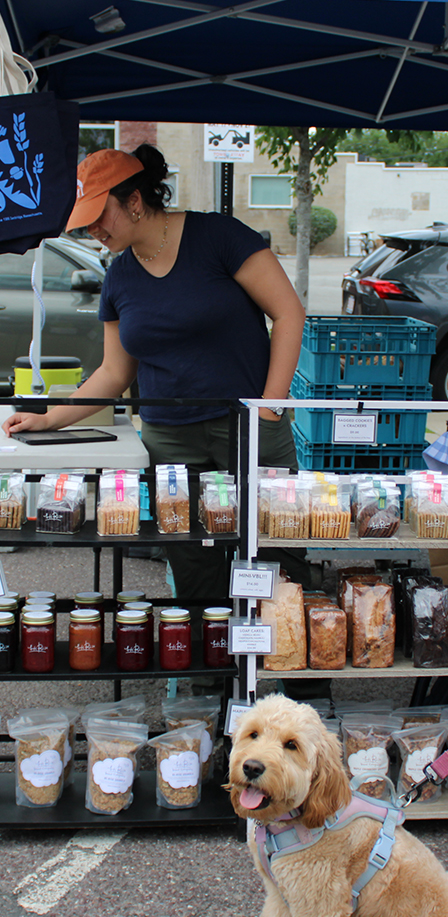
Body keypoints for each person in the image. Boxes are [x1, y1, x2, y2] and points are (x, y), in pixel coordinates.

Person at [2, 145, 319, 694]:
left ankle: (300, 686)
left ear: (136, 201)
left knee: (276, 550)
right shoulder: (118, 277)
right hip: (170, 436)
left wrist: (271, 405)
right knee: (194, 564)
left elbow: (289, 312)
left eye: (100, 217)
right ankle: (209, 688)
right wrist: (51, 418)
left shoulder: (218, 236)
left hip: (247, 423)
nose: (94, 232)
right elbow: (113, 373)